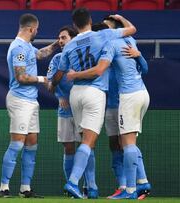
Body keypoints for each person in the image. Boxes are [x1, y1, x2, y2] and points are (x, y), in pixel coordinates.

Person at [50, 8, 137, 199]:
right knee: (89, 143)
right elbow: (132, 30)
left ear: (74, 25)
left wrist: (53, 86)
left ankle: (92, 188)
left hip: (75, 94)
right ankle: (73, 182)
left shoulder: (70, 45)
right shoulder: (103, 35)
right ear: (90, 20)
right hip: (94, 92)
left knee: (85, 142)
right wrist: (120, 18)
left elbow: (58, 75)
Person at [67, 17, 151, 199]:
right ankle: (139, 183)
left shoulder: (110, 46)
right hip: (138, 95)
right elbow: (144, 69)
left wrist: (75, 75)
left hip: (126, 98)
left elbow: (98, 70)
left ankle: (130, 190)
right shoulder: (130, 41)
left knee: (127, 143)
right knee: (123, 142)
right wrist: (139, 55)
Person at [0, 13, 60, 198]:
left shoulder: (27, 46)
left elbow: (40, 54)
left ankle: (25, 188)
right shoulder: (18, 48)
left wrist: (56, 45)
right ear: (31, 29)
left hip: (31, 101)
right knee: (17, 144)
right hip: (20, 100)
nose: (37, 32)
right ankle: (4, 187)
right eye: (37, 29)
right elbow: (21, 77)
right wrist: (43, 79)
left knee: (32, 144)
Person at [46, 26, 80, 188]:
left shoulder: (82, 57)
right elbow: (50, 84)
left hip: (82, 109)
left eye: (63, 37)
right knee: (68, 148)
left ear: (73, 39)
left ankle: (88, 187)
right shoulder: (57, 58)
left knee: (86, 147)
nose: (60, 41)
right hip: (65, 111)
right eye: (59, 38)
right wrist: (60, 96)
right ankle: (71, 186)